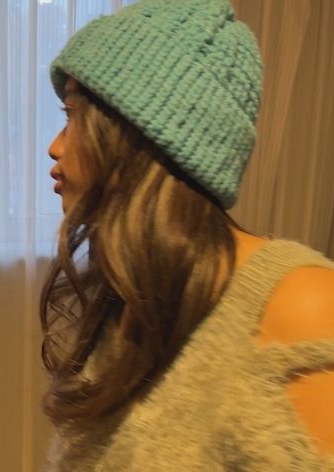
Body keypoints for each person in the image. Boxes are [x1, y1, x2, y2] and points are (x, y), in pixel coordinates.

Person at [40, 0, 334, 470]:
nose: (55, 146)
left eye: (73, 115)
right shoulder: (130, 299)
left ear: (139, 134)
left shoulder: (304, 305)